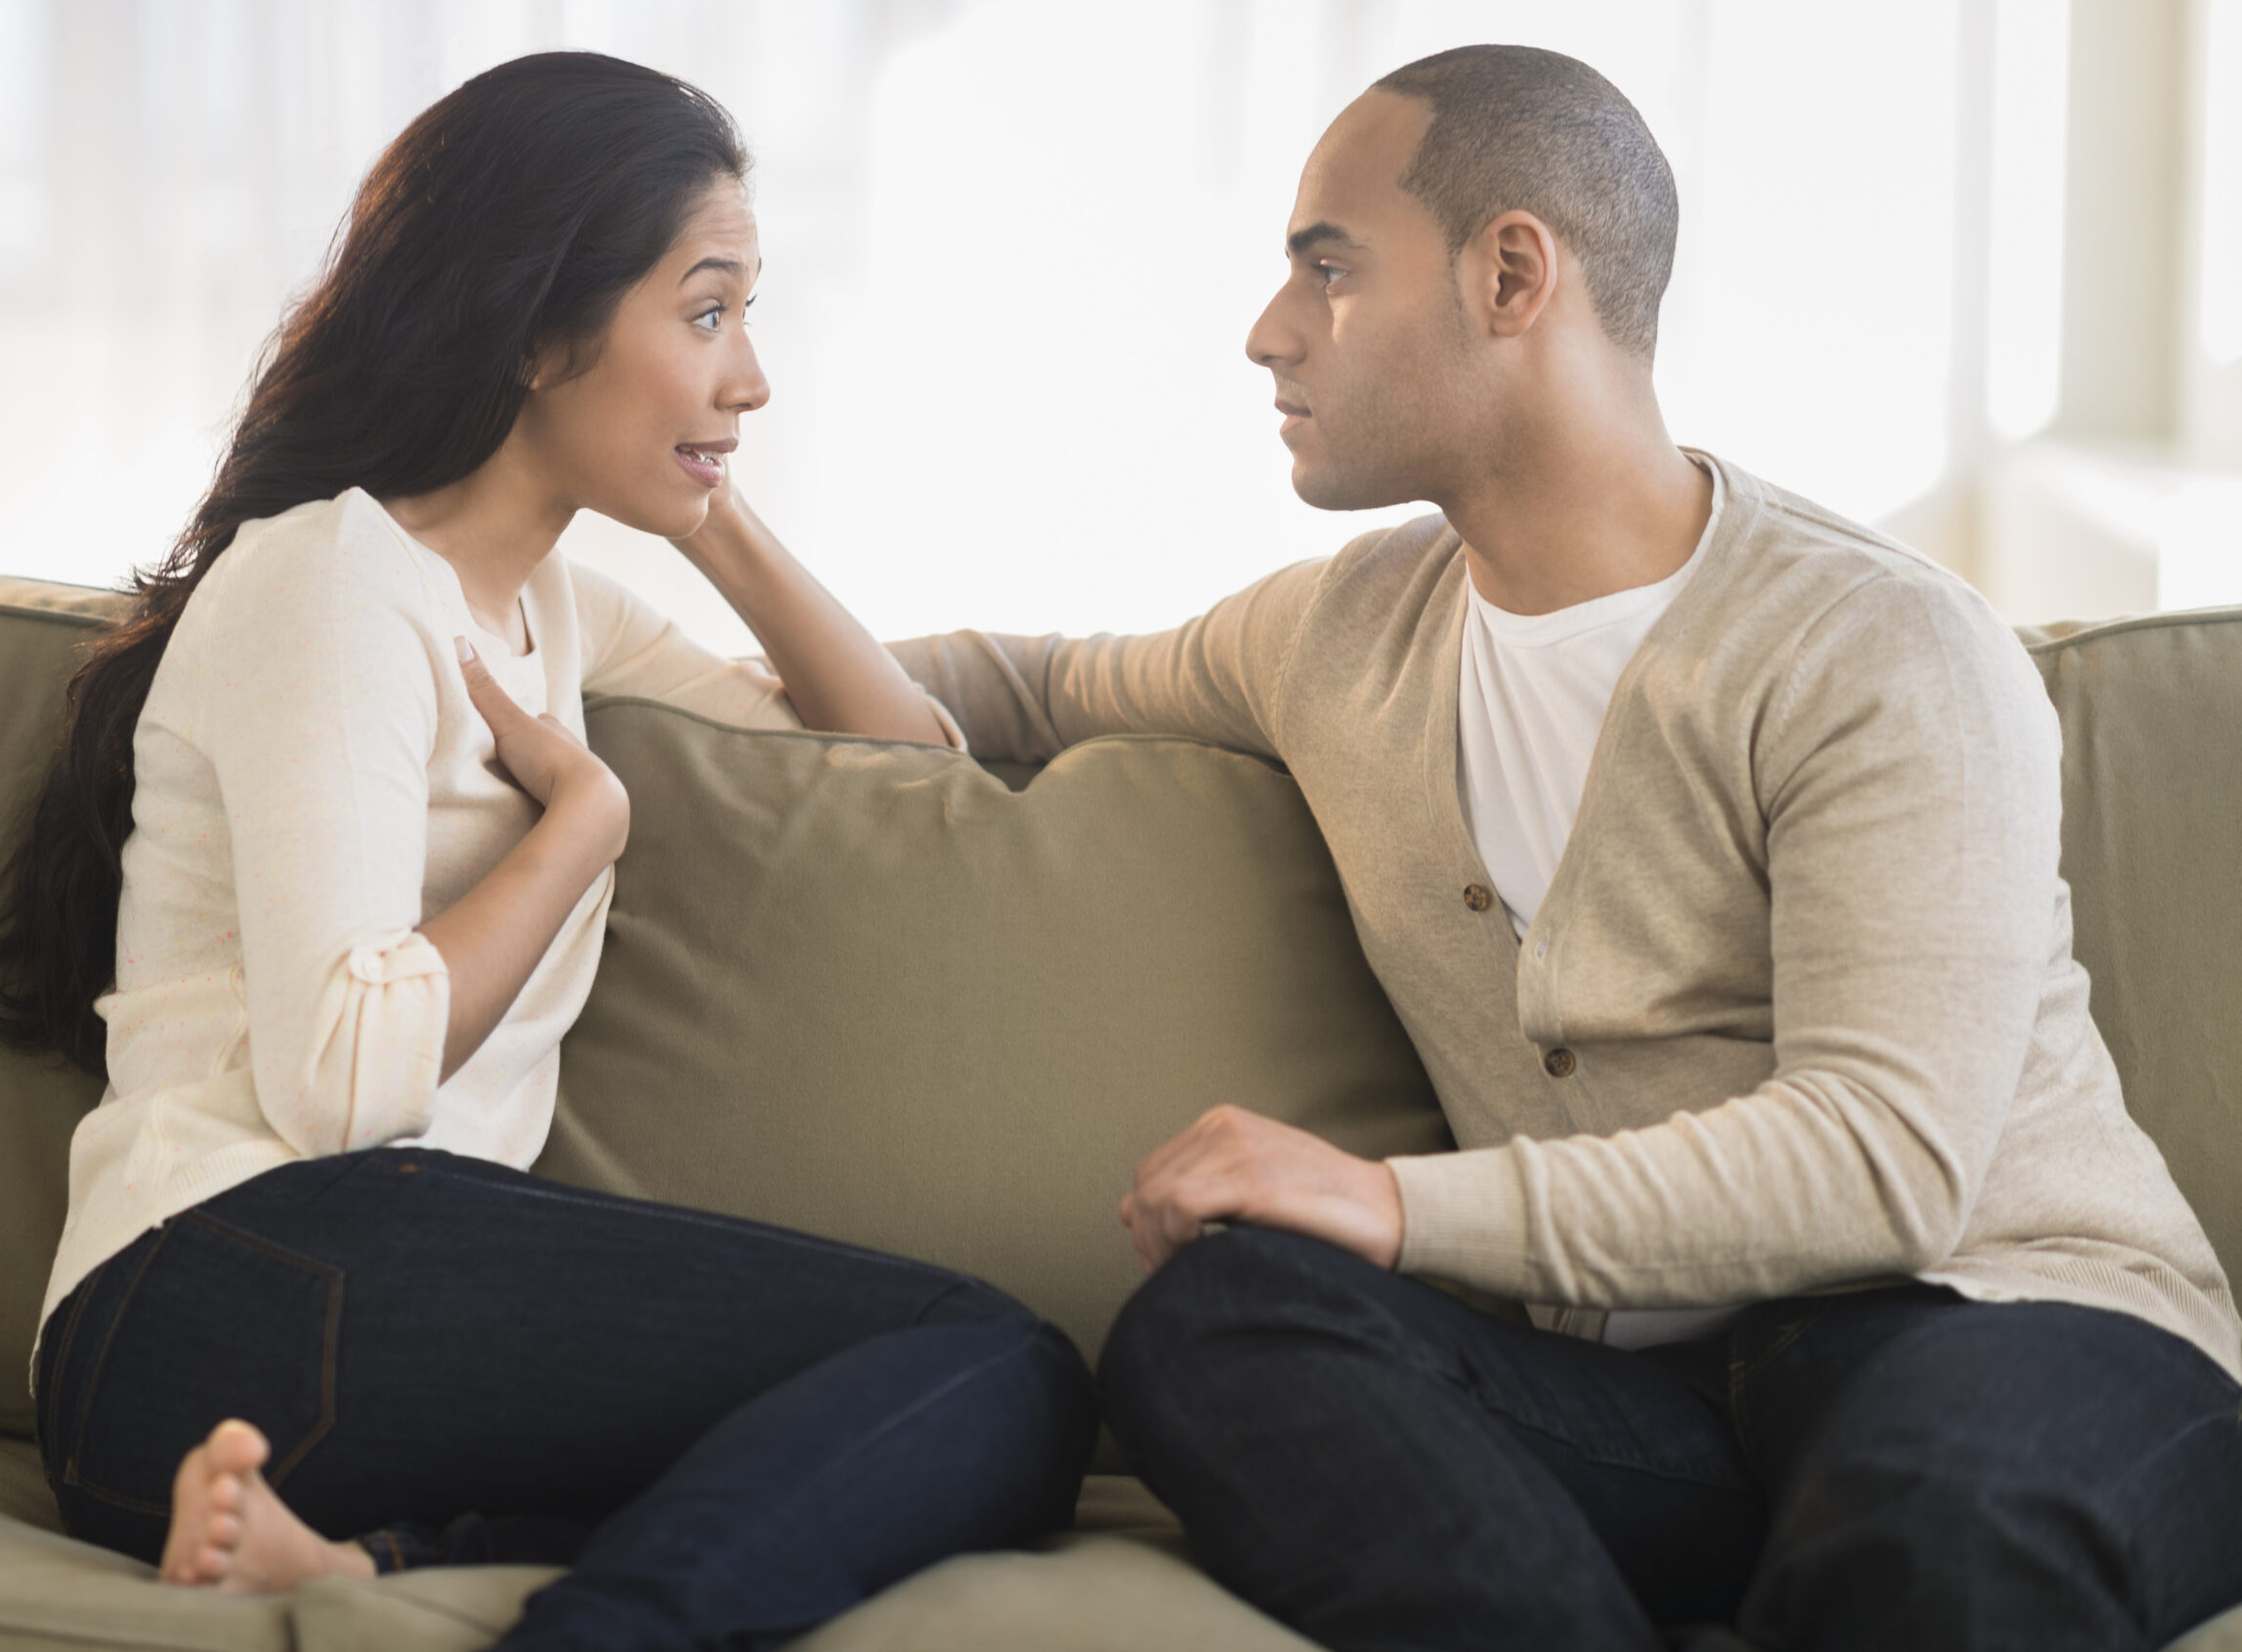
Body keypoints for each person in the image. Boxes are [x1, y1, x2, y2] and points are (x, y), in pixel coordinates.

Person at [891, 43, 2242, 1652]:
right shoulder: (1340, 632)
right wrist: (625, 605)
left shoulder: (1881, 649)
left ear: (1512, 272)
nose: (1269, 332)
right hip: (1660, 1409)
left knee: (1940, 1529)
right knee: (1216, 1320)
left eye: (1328, 269)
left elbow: (1887, 1160)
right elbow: (1016, 685)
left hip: (2013, 1327)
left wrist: (1394, 1206)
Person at [0, 52, 1091, 1652]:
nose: (754, 374)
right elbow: (342, 1083)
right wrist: (583, 828)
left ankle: (360, 1558)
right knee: (988, 1359)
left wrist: (712, 501)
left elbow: (901, 767)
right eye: (708, 315)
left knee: (961, 1408)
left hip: (307, 1351)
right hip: (217, 1286)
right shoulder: (333, 581)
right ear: (539, 327)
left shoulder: (550, 610)